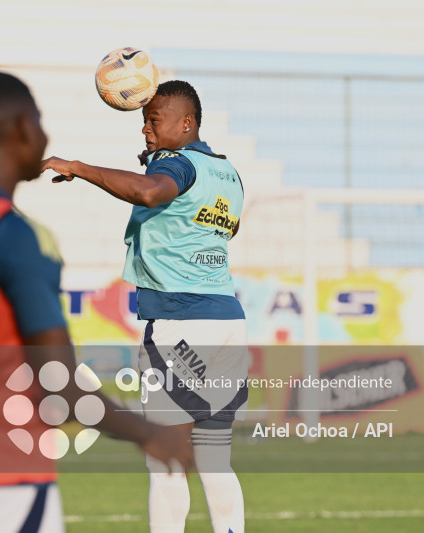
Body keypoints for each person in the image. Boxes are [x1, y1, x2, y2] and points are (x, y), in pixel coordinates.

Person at [0, 71, 193, 533]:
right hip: (2, 483)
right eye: (40, 121)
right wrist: (148, 433)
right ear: (23, 129)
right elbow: (58, 383)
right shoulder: (15, 235)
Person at [42, 80, 248, 533]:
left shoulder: (177, 166)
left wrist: (79, 167)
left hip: (181, 323)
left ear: (186, 123)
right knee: (215, 457)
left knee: (165, 456)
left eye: (154, 121)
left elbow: (149, 193)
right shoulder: (227, 172)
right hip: (228, 322)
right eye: (143, 122)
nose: (145, 131)